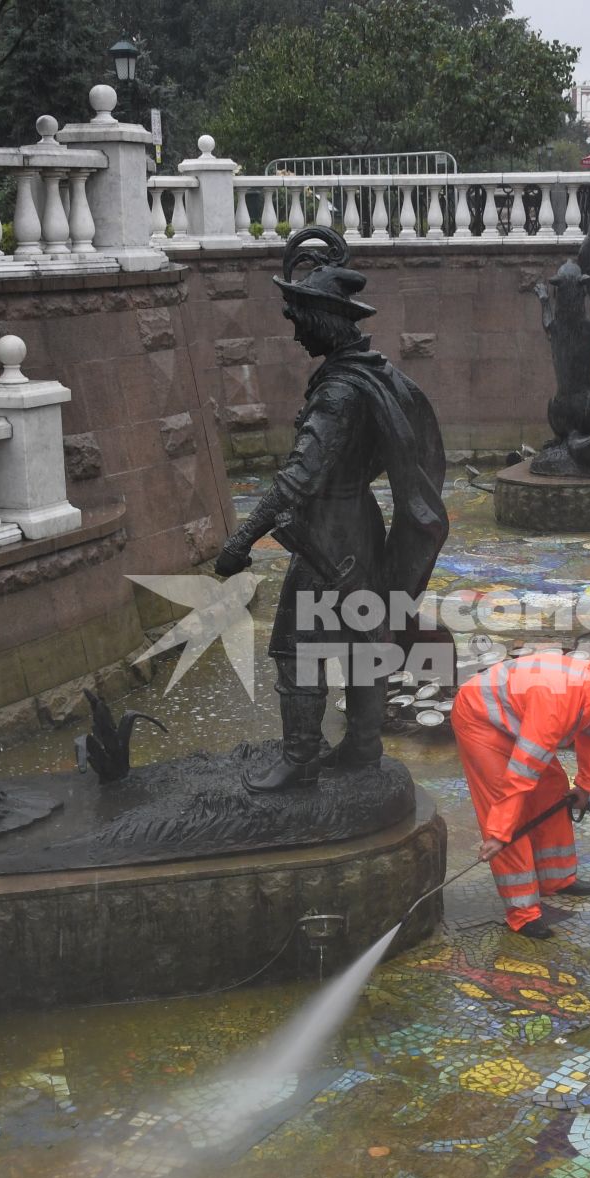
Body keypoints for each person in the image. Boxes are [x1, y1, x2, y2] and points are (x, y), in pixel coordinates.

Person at [213, 227, 448, 791]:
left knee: (297, 647)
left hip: (328, 535)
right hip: (359, 526)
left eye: (298, 319)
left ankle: (300, 756)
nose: (294, 332)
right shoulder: (370, 370)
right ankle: (364, 748)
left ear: (323, 317)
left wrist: (240, 540)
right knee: (361, 635)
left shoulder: (339, 393)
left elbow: (297, 479)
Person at [451, 648, 590, 938]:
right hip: (480, 718)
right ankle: (523, 913)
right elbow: (522, 773)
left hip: (518, 717)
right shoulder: (557, 701)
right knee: (509, 809)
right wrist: (499, 832)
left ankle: (556, 879)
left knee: (554, 789)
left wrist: (585, 786)